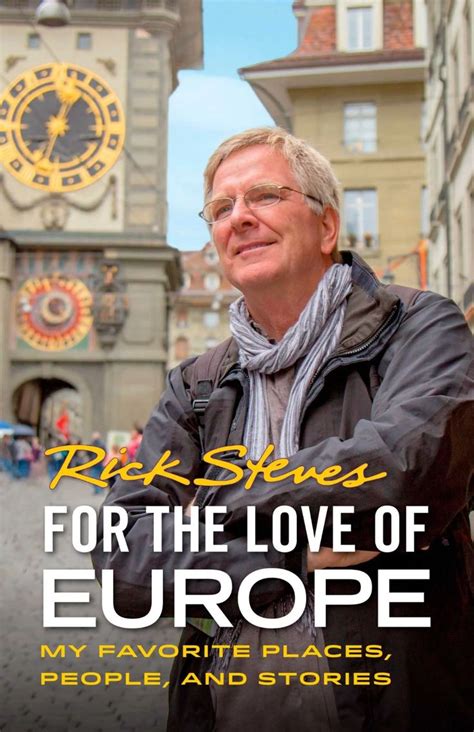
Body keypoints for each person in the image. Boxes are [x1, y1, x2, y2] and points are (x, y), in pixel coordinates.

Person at [92, 128, 474, 731]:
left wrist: (212, 507)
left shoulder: (420, 329)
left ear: (327, 227)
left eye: (265, 196)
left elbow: (405, 476)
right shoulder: (195, 384)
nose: (239, 218)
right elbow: (122, 561)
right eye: (221, 208)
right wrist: (286, 554)